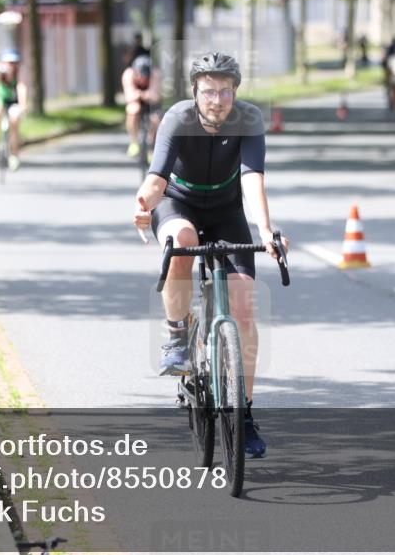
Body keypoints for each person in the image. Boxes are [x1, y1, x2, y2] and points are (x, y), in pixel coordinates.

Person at [132, 52, 289, 459]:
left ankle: (245, 413)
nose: (216, 100)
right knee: (181, 239)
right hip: (177, 205)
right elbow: (156, 177)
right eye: (208, 92)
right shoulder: (177, 119)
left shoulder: (249, 120)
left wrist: (267, 231)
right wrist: (143, 202)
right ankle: (177, 334)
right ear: (195, 93)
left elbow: (253, 180)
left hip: (226, 212)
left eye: (224, 91)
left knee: (244, 307)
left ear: (235, 91)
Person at [0, 49, 28, 169]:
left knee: (14, 122)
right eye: (8, 62)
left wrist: (23, 104)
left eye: (14, 62)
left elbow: (21, 87)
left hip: (13, 100)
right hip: (0, 98)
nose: (11, 65)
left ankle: (14, 155)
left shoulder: (20, 70)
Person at [121, 54, 162, 159]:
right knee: (133, 109)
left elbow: (155, 97)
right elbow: (129, 97)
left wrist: (139, 94)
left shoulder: (155, 74)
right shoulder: (128, 74)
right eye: (140, 75)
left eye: (146, 76)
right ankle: (133, 141)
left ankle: (151, 148)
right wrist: (143, 95)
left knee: (155, 119)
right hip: (136, 102)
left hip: (152, 103)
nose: (143, 79)